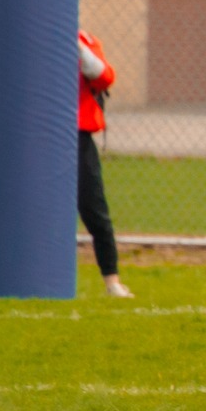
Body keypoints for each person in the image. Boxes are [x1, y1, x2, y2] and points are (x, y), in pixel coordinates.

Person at [76, 29, 129, 298]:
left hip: (78, 138)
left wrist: (78, 49)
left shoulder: (85, 41)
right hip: (39, 138)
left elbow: (104, 76)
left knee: (95, 210)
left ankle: (112, 282)